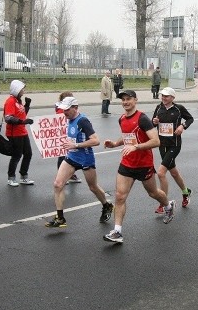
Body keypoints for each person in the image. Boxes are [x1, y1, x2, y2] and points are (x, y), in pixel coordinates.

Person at [102, 90, 176, 243]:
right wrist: (115, 144)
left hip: (144, 164)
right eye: (123, 100)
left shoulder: (142, 119)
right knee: (120, 196)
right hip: (127, 163)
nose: (125, 102)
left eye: (128, 99)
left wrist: (136, 147)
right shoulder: (122, 119)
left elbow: (156, 141)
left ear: (135, 100)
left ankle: (168, 206)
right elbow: (127, 137)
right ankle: (117, 232)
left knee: (153, 193)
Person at [45, 96, 114, 228]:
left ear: (75, 108)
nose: (64, 112)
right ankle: (60, 218)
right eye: (63, 109)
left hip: (85, 158)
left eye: (67, 109)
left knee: (93, 187)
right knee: (58, 184)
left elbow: (96, 140)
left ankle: (106, 205)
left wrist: (75, 145)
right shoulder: (69, 119)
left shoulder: (83, 121)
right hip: (72, 157)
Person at [151, 87, 194, 213]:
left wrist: (182, 126)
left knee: (161, 173)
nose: (164, 98)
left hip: (174, 145)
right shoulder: (159, 108)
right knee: (174, 172)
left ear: (172, 98)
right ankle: (186, 192)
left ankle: (163, 204)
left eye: (167, 96)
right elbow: (152, 123)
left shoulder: (178, 109)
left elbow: (190, 118)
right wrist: (154, 121)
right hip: (162, 144)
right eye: (163, 96)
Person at [4, 80, 34, 187]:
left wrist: (27, 105)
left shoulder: (18, 101)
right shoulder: (10, 101)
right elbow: (8, 118)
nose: (23, 91)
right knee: (17, 155)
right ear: (17, 89)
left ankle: (23, 176)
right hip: (14, 133)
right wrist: (22, 122)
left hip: (22, 131)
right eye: (22, 89)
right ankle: (11, 178)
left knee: (28, 153)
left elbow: (22, 114)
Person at [54, 92, 82, 185]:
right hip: (63, 135)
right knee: (63, 156)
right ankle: (61, 176)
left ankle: (71, 175)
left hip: (69, 135)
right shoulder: (60, 110)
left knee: (70, 156)